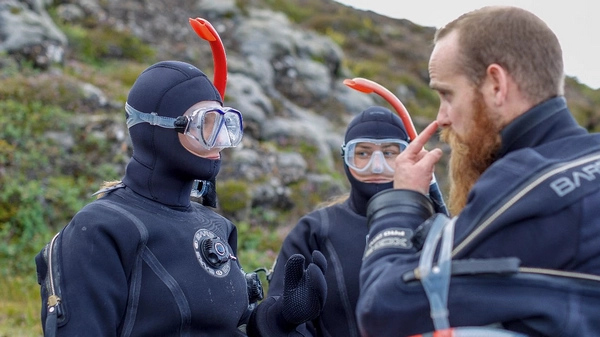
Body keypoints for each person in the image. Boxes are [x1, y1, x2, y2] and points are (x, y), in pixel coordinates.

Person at [35, 60, 327, 337]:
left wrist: (280, 318)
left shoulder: (218, 228)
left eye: (226, 124)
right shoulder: (102, 229)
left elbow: (227, 328)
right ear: (155, 128)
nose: (220, 140)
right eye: (206, 124)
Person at [357, 6, 600, 337]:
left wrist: (401, 204)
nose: (442, 117)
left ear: (496, 85)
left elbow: (382, 307)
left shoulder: (526, 185)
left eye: (447, 94)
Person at [268, 106, 445, 337]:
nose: (377, 166)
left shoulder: (436, 224)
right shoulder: (313, 231)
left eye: (390, 153)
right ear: (346, 158)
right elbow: (278, 321)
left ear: (408, 156)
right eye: (362, 153)